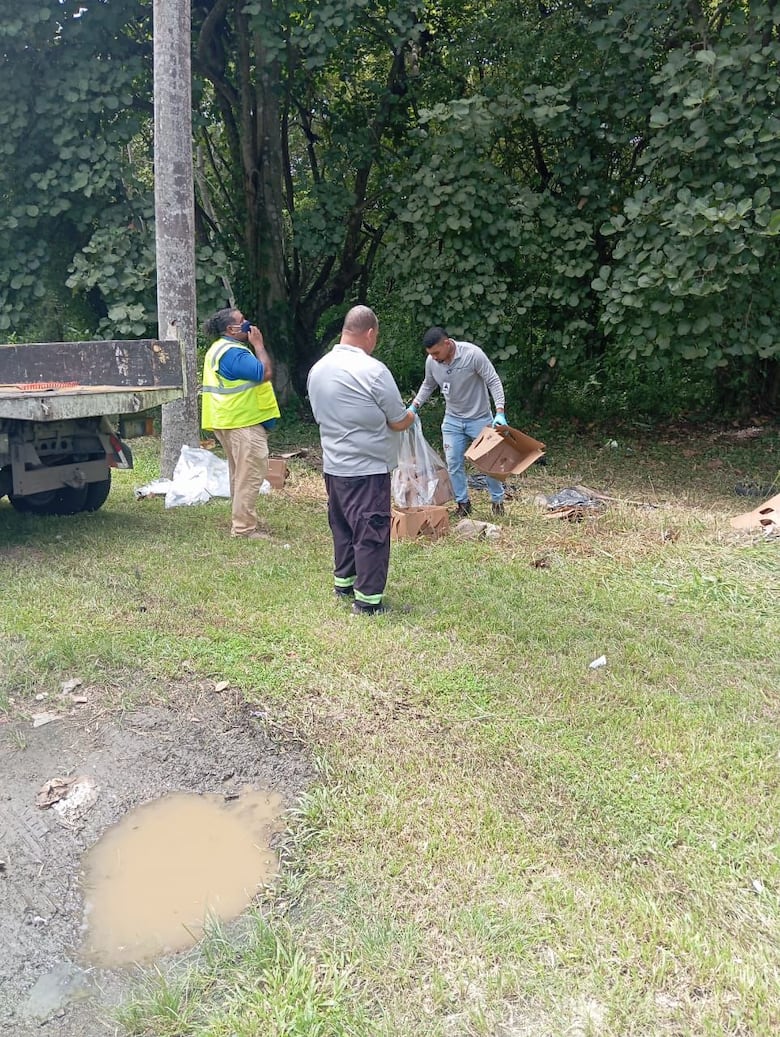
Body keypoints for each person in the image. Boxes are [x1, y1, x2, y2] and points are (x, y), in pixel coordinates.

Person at [307, 305, 416, 616]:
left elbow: (319, 415)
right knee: (371, 531)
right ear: (370, 333)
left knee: (342, 527)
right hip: (367, 468)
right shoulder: (374, 371)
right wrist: (412, 416)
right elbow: (397, 420)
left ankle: (344, 582)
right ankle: (368, 601)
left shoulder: (318, 369)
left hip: (333, 465)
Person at [409, 326, 508, 517]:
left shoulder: (473, 355)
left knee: (489, 463)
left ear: (447, 343)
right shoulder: (432, 361)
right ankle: (463, 504)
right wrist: (414, 406)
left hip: (480, 419)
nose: (434, 357)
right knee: (453, 461)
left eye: (437, 352)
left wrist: (500, 412)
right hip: (453, 420)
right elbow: (428, 384)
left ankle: (497, 501)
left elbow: (493, 381)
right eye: (431, 354)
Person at [200, 307, 280, 539]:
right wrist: (259, 345)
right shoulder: (235, 353)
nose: (247, 324)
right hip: (243, 422)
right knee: (250, 472)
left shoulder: (218, 349)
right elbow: (264, 372)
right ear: (231, 329)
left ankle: (242, 519)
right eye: (242, 321)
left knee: (240, 472)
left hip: (228, 420)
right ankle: (244, 528)